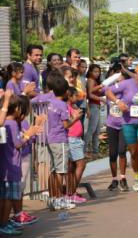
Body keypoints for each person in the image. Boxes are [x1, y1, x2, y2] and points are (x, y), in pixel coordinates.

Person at [0, 95, 44, 235]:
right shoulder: (11, 124)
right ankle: (4, 224)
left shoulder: (6, 124)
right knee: (8, 199)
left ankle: (4, 223)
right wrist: (28, 134)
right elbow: (17, 144)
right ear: (17, 109)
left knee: (5, 198)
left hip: (6, 167)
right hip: (11, 166)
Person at [106, 62, 138, 192]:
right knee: (134, 152)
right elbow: (108, 91)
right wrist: (118, 102)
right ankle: (136, 176)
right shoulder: (127, 83)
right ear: (136, 74)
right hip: (128, 123)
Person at [47, 76, 82, 210]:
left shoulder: (51, 100)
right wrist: (76, 117)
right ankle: (59, 199)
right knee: (61, 171)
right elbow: (66, 125)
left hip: (51, 139)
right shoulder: (62, 105)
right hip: (60, 139)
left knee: (55, 170)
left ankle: (54, 198)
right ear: (66, 92)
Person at [104, 64, 128, 192]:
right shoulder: (109, 91)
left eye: (121, 81)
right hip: (111, 125)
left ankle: (123, 178)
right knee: (112, 154)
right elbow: (101, 88)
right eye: (116, 81)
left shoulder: (127, 93)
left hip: (124, 125)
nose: (118, 84)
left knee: (122, 151)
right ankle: (114, 179)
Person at [66, 87, 87, 204]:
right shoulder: (66, 107)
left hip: (76, 139)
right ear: (69, 96)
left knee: (73, 167)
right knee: (81, 164)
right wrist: (75, 117)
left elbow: (83, 96)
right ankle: (71, 193)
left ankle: (70, 191)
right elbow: (67, 122)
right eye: (75, 96)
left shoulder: (73, 106)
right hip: (72, 139)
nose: (77, 98)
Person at [85, 64, 104, 158]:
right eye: (95, 71)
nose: (97, 73)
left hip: (97, 106)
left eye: (98, 71)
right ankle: (84, 150)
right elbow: (90, 94)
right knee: (91, 130)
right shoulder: (90, 80)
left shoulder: (94, 81)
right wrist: (101, 98)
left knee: (96, 131)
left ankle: (95, 151)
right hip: (93, 106)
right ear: (90, 72)